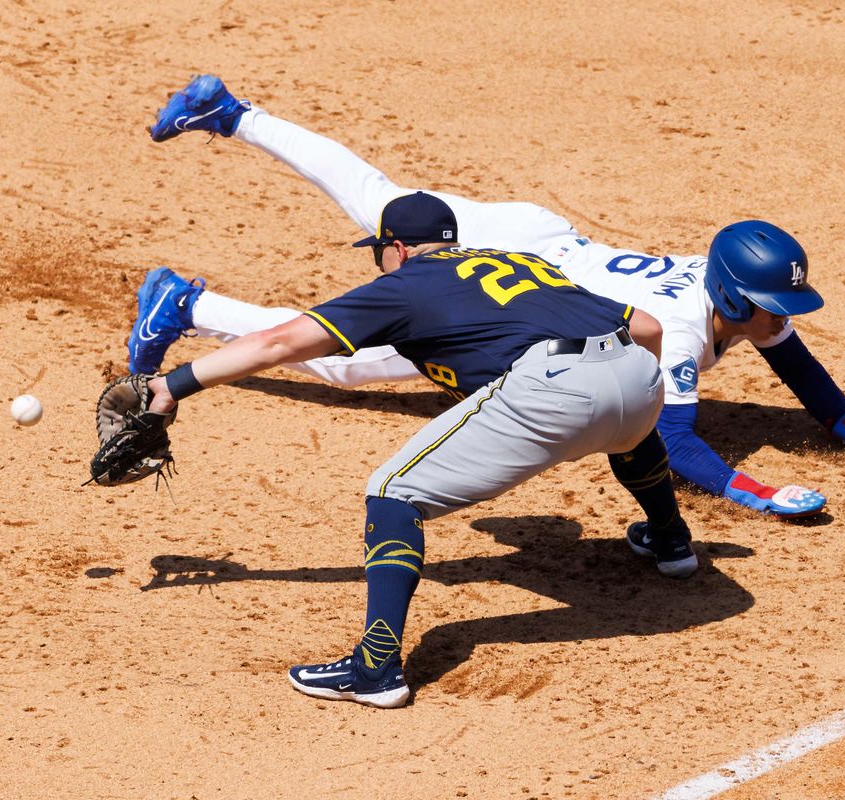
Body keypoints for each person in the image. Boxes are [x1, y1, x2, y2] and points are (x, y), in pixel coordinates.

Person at [136, 76, 845, 520]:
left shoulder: (730, 286)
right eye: (778, 309)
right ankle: (194, 290)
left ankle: (227, 148)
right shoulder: (691, 327)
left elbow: (796, 363)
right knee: (351, 363)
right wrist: (752, 492)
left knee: (374, 195)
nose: (783, 321)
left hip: (536, 234)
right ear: (739, 297)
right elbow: (675, 445)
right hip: (512, 263)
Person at [143, 191, 699, 708]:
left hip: (551, 387)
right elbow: (646, 326)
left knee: (392, 492)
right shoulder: (523, 264)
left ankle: (375, 669)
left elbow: (277, 342)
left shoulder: (404, 284)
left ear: (399, 249)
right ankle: (672, 543)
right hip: (636, 372)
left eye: (379, 252)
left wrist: (174, 384)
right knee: (629, 422)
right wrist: (622, 391)